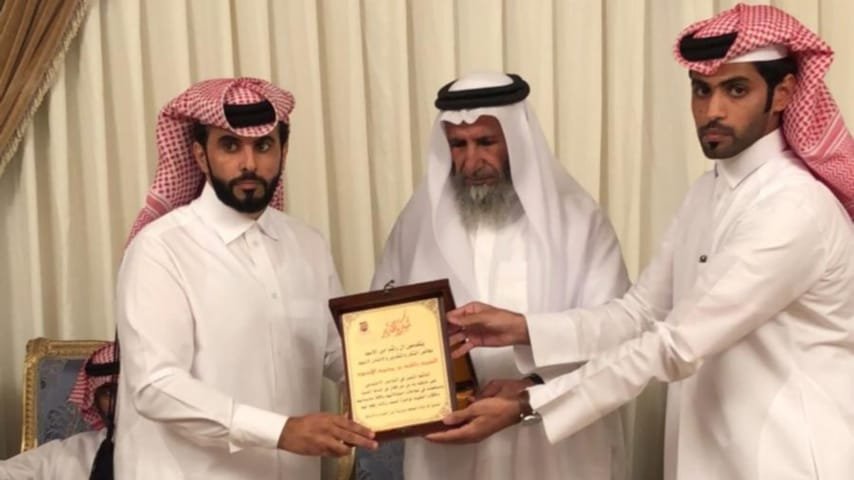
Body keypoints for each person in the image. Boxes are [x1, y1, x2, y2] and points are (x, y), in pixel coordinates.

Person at [427, 5, 854, 480]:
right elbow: (640, 314)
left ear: (784, 93)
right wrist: (523, 328)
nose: (713, 110)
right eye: (701, 89)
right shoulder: (708, 193)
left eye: (736, 90)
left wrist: (530, 404)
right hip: (714, 454)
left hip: (789, 456)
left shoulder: (793, 207)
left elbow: (676, 344)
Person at [362, 72, 631, 480]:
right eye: (458, 145)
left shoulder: (578, 221)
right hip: (448, 445)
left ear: (516, 141)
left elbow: (616, 333)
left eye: (486, 141)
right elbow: (384, 327)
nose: (471, 162)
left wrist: (534, 386)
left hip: (551, 443)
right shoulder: (416, 225)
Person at [114, 77, 376, 479]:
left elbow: (336, 353)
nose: (249, 163)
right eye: (230, 146)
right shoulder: (160, 249)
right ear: (200, 156)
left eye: (263, 146)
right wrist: (281, 431)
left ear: (283, 151)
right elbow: (156, 385)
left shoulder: (307, 244)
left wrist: (426, 372)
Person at [0, 342, 119, 480]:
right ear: (95, 400)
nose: (121, 402)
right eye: (110, 393)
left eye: (129, 392)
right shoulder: (69, 454)